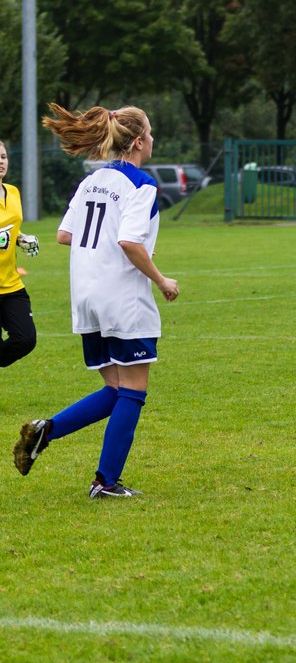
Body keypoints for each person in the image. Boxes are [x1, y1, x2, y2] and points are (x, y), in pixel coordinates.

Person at [12, 104, 180, 498]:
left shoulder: (92, 180)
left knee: (116, 391)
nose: (153, 140)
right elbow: (128, 242)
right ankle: (105, 482)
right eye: (151, 134)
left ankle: (45, 431)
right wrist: (161, 280)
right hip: (120, 297)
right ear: (139, 141)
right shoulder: (142, 184)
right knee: (134, 392)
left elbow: (65, 235)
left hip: (85, 296)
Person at [0, 139, 41, 368]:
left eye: (3, 157)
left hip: (12, 285)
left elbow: (9, 229)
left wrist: (20, 238)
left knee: (26, 339)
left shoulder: (13, 192)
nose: (0, 162)